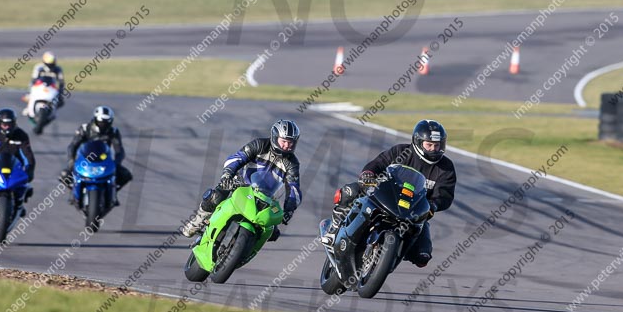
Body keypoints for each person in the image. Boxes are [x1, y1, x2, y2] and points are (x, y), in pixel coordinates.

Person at [321, 120, 456, 268]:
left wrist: (434, 205)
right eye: (429, 145)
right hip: (384, 196)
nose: (433, 150)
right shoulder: (401, 151)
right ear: (418, 142)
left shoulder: (446, 167)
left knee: (422, 256)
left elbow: (445, 194)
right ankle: (333, 229)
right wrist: (369, 173)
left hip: (414, 212)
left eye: (437, 145)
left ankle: (390, 255)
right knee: (351, 191)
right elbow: (379, 163)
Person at [181, 119, 302, 238]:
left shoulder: (292, 163)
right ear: (275, 137)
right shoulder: (259, 144)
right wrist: (227, 175)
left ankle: (245, 253)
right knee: (216, 195)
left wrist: (289, 209)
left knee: (273, 233)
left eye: (291, 142)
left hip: (267, 198)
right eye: (284, 141)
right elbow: (237, 158)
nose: (287, 145)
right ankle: (197, 222)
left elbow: (293, 189)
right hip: (240, 185)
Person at [60, 106, 132, 203]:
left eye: (106, 122)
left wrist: (116, 162)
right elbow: (72, 146)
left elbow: (119, 150)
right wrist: (71, 160)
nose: (104, 125)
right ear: (95, 119)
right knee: (65, 175)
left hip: (104, 159)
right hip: (85, 159)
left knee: (126, 175)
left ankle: (112, 192)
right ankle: (74, 191)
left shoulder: (113, 132)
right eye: (101, 122)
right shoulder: (85, 129)